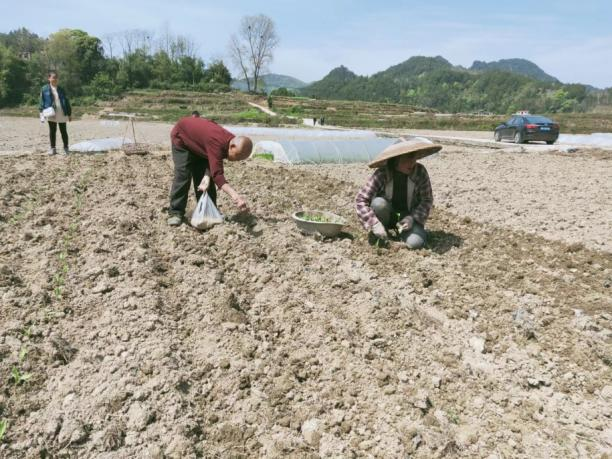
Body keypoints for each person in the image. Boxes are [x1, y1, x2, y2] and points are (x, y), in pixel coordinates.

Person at [355, 137, 441, 249]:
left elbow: (427, 200)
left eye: (414, 158)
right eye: (408, 158)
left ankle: (401, 233)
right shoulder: (382, 174)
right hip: (386, 216)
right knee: (379, 204)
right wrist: (374, 224)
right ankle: (383, 231)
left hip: (405, 219)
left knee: (415, 243)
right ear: (396, 159)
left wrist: (412, 218)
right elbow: (361, 200)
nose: (412, 162)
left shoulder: (420, 172)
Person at [168, 116, 253, 226]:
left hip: (200, 145)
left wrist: (207, 176)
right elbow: (218, 176)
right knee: (183, 175)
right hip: (182, 138)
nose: (236, 160)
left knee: (204, 179)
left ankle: (209, 212)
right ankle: (176, 212)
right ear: (232, 147)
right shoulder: (217, 143)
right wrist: (236, 197)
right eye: (237, 157)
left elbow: (212, 162)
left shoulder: (230, 141)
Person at [39, 71, 72, 155]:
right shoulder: (44, 89)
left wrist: (69, 113)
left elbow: (66, 101)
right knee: (52, 131)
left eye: (56, 77)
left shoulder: (61, 89)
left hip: (62, 111)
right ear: (49, 78)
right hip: (50, 112)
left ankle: (66, 148)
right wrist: (41, 112)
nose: (55, 79)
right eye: (53, 77)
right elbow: (41, 101)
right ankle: (53, 149)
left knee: (63, 131)